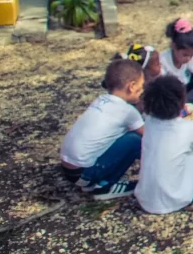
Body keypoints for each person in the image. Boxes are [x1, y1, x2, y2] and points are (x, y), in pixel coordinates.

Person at [135, 76, 193, 214]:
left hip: (145, 199)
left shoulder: (148, 122)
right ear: (182, 102)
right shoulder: (189, 127)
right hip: (177, 200)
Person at [60, 59, 146, 200]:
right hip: (85, 174)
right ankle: (106, 185)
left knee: (125, 136)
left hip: (70, 172)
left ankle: (94, 182)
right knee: (136, 140)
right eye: (141, 87)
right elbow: (149, 136)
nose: (142, 91)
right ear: (132, 86)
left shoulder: (100, 100)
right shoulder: (128, 112)